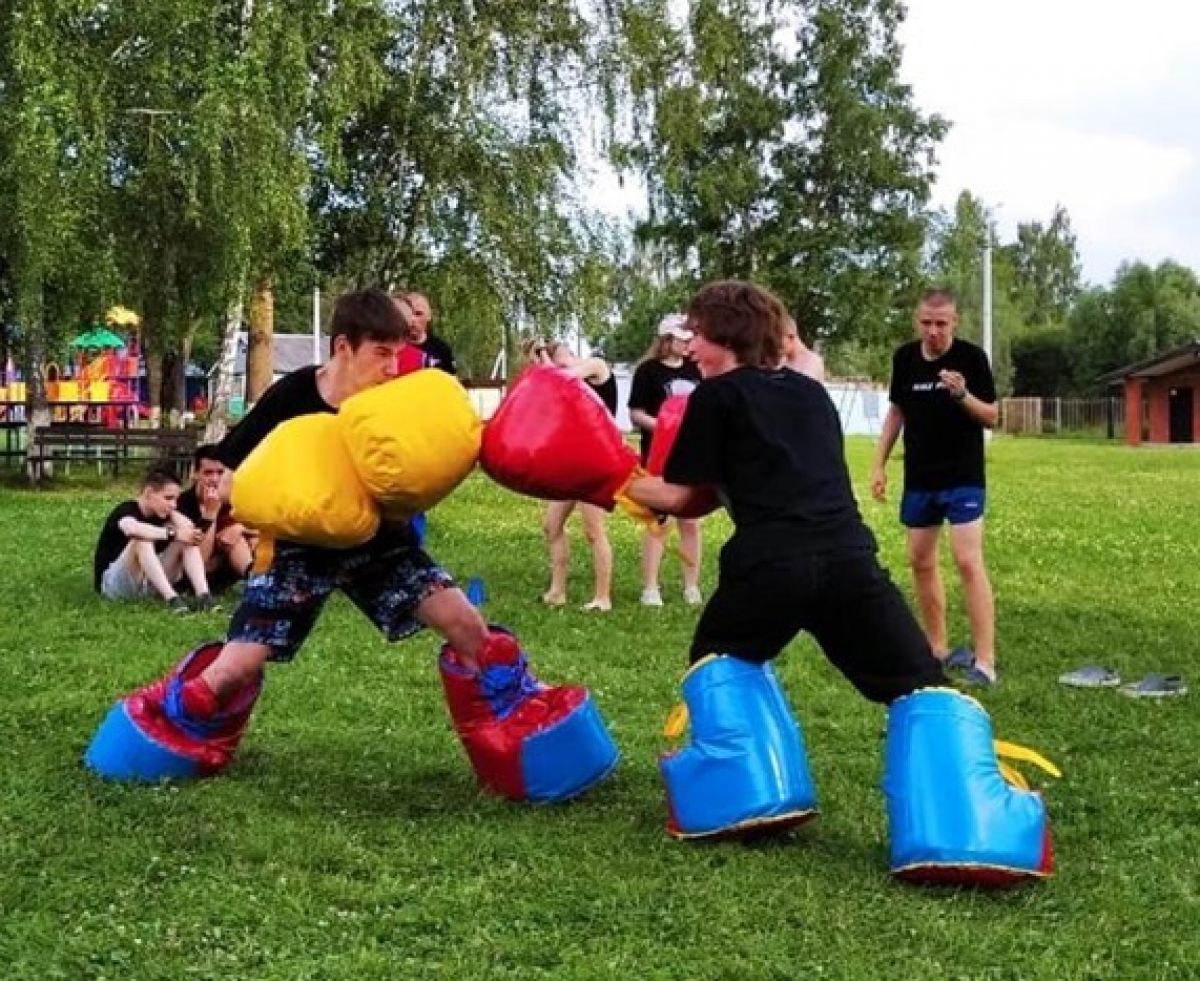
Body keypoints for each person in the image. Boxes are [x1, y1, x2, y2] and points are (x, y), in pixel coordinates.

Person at [173, 288, 501, 723]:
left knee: (468, 626)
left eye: (397, 356)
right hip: (297, 550)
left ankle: (515, 721)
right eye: (381, 354)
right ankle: (166, 719)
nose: (390, 368)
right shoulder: (292, 395)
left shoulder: (396, 397)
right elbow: (230, 473)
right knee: (234, 669)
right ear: (343, 347)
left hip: (380, 542)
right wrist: (271, 501)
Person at [626, 280, 943, 696]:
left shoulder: (715, 396)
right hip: (849, 559)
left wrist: (613, 477)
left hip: (771, 566)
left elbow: (681, 498)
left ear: (726, 337)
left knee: (716, 672)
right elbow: (720, 491)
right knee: (922, 685)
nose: (690, 349)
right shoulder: (811, 393)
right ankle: (954, 759)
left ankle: (736, 762)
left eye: (698, 336)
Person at [869, 287, 999, 686]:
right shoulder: (905, 359)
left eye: (941, 324)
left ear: (954, 323)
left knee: (966, 561)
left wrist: (961, 394)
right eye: (926, 323)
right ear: (917, 321)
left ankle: (985, 662)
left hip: (963, 478)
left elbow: (992, 416)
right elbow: (897, 412)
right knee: (921, 561)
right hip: (920, 480)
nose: (933, 331)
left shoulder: (971, 358)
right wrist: (879, 464)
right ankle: (937, 649)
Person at [527, 339, 616, 611]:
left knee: (593, 530)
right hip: (572, 463)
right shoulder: (561, 383)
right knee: (552, 525)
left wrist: (544, 356)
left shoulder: (596, 368)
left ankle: (603, 597)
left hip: (597, 460)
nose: (559, 357)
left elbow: (567, 375)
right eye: (554, 354)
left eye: (562, 352)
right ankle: (557, 591)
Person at [627, 314, 704, 607]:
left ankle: (691, 586)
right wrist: (663, 425)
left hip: (692, 456)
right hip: (658, 455)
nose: (686, 346)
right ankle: (650, 587)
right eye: (681, 340)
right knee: (658, 521)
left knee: (691, 521)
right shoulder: (648, 371)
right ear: (666, 340)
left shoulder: (696, 369)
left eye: (689, 340)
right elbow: (636, 413)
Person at [93, 466, 217, 613]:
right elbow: (131, 528)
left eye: (176, 499)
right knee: (141, 540)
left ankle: (203, 596)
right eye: (168, 498)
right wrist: (173, 533)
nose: (174, 504)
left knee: (186, 540)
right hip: (114, 586)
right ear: (149, 493)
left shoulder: (163, 514)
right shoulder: (127, 509)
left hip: (145, 584)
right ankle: (172, 598)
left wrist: (209, 513)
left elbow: (191, 531)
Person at [175, 445, 256, 595]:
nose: (215, 479)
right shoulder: (182, 504)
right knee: (235, 538)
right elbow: (201, 558)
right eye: (208, 473)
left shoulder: (234, 497)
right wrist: (211, 511)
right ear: (195, 474)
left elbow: (267, 527)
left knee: (245, 536)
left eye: (220, 472)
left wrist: (239, 529)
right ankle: (253, 582)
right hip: (196, 571)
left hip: (230, 563)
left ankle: (255, 580)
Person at [404, 291, 456, 375]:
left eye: (418, 314)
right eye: (408, 314)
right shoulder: (395, 349)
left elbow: (450, 383)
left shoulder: (442, 349)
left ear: (429, 316)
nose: (412, 319)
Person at [781, 314, 825, 382]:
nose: (775, 344)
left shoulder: (813, 362)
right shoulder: (780, 361)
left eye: (778, 338)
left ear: (790, 335)